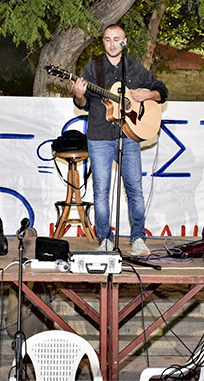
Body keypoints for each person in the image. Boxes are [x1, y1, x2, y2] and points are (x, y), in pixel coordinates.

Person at [71, 24, 168, 256]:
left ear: (124, 42)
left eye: (116, 39)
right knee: (101, 191)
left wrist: (149, 94)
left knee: (135, 189)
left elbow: (162, 91)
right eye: (107, 39)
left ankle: (138, 239)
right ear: (103, 42)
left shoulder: (134, 68)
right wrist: (79, 95)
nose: (112, 44)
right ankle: (104, 239)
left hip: (129, 136)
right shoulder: (92, 68)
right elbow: (83, 105)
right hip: (99, 136)